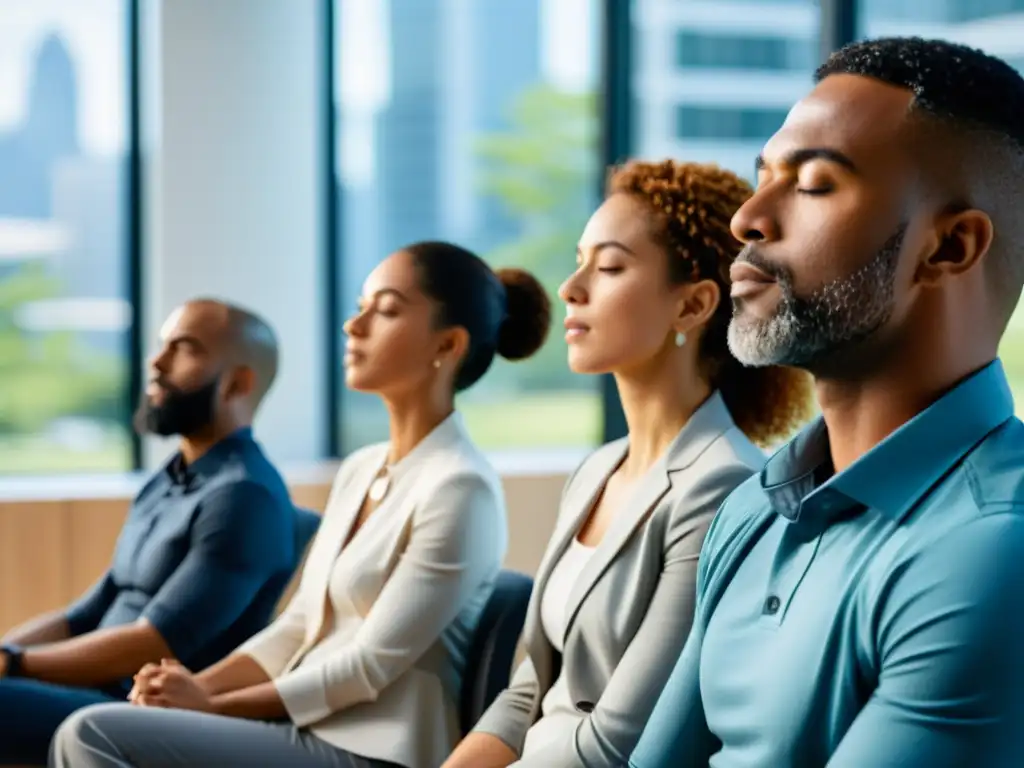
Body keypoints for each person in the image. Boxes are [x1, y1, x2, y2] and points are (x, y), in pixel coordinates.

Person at [629, 36, 1024, 768]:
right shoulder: (752, 509)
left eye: (811, 184)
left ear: (949, 248)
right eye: (762, 177)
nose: (747, 218)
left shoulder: (994, 552)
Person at [51, 242, 552, 768]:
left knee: (91, 734)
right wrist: (191, 689)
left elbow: (367, 666)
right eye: (360, 306)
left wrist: (212, 707)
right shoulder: (361, 469)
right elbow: (298, 626)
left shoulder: (460, 487)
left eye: (384, 310)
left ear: (448, 344)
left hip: (373, 749)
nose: (353, 326)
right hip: (302, 729)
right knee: (98, 727)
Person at [443, 160, 812, 768]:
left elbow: (620, 741)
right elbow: (529, 691)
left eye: (609, 266)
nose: (571, 287)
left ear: (692, 306)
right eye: (580, 260)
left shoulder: (722, 488)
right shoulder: (597, 471)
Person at [0, 298, 303, 766]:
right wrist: (8, 652)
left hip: (138, 712)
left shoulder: (244, 496)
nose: (156, 362)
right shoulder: (168, 479)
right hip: (86, 691)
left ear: (238, 383)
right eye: (163, 346)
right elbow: (82, 614)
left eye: (184, 349)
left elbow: (155, 641)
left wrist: (16, 665)